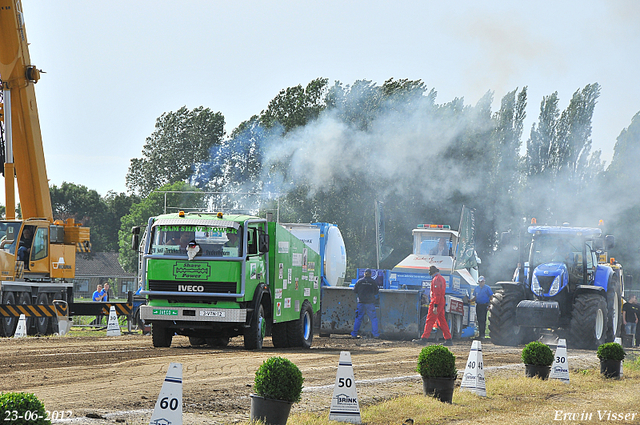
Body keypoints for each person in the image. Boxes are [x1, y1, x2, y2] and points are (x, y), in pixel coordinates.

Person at [414, 266, 452, 346]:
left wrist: (435, 305)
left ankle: (424, 339)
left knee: (430, 320)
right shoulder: (441, 278)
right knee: (442, 321)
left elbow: (437, 293)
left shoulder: (436, 279)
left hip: (436, 301)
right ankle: (448, 339)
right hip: (440, 301)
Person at [351, 269, 380, 338]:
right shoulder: (373, 282)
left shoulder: (360, 281)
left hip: (361, 303)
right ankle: (376, 334)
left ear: (364, 274)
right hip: (370, 303)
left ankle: (354, 334)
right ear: (370, 274)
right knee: (373, 319)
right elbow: (376, 292)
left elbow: (355, 291)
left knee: (358, 318)